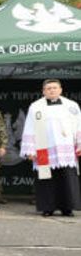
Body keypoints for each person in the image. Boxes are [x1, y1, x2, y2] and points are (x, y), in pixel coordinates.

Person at [20, 79, 81, 217]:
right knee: (46, 178)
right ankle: (48, 207)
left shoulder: (72, 106)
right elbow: (29, 127)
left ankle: (68, 207)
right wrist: (29, 150)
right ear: (43, 91)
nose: (52, 90)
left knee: (67, 177)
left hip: (67, 149)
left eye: (54, 88)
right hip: (43, 148)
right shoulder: (36, 106)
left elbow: (79, 125)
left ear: (60, 90)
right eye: (48, 88)